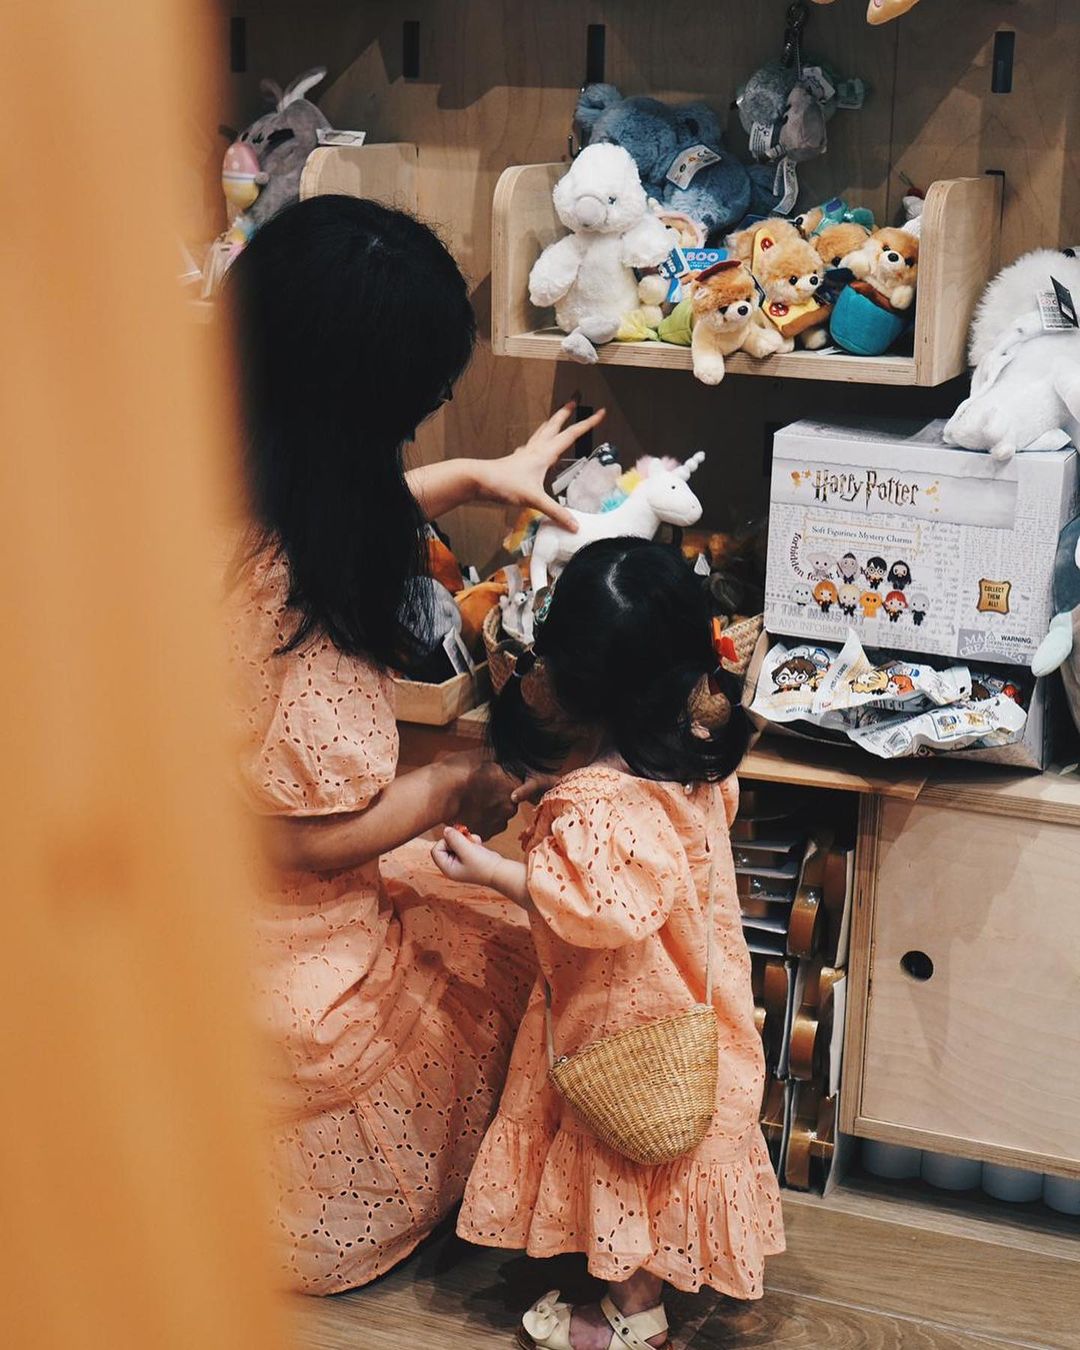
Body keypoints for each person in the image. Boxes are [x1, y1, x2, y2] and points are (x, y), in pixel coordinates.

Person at [224, 193, 604, 1294]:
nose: (425, 423)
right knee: (515, 934)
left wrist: (481, 475)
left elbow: (322, 499)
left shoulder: (208, 480)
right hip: (272, 943)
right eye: (418, 409)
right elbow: (296, 848)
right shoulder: (288, 594)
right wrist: (457, 783)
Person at [433, 539, 784, 1350]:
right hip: (700, 1004)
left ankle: (633, 1317)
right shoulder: (692, 752)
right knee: (670, 1146)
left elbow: (586, 908)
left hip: (621, 1026)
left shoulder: (593, 809)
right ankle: (649, 1287)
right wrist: (563, 798)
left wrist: (492, 869)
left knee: (623, 1144)